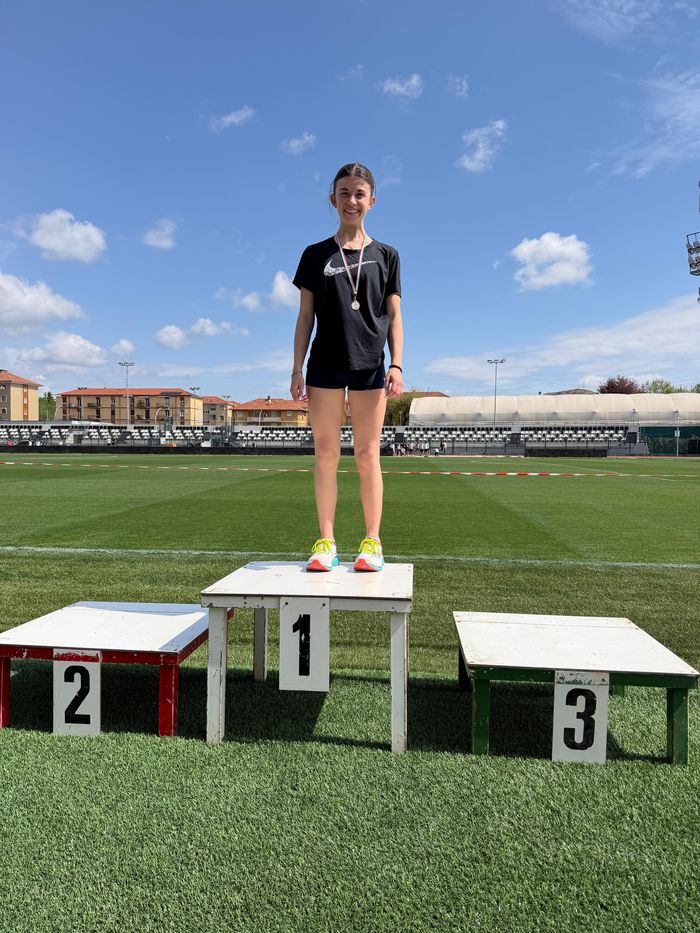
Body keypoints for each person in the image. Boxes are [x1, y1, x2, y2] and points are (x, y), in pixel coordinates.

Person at [291, 162, 404, 572]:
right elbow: (305, 316)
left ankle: (372, 542)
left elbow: (395, 315)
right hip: (324, 364)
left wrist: (397, 364)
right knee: (325, 454)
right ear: (332, 199)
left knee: (367, 453)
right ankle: (326, 541)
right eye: (344, 193)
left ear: (372, 201)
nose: (351, 201)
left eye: (359, 194)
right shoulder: (314, 254)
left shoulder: (387, 255)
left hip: (370, 365)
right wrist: (297, 368)